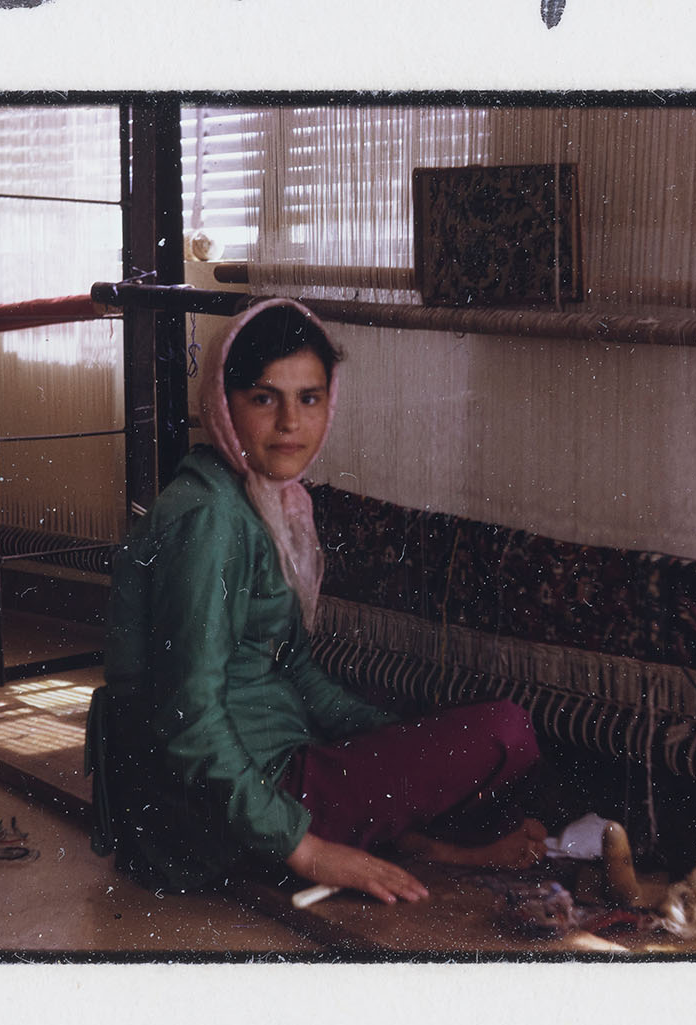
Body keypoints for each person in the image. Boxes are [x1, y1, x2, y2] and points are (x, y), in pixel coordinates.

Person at [85, 299, 546, 904]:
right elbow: (188, 715)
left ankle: (416, 838)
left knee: (449, 737)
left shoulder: (261, 500)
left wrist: (402, 742)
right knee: (504, 731)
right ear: (224, 404)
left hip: (252, 774)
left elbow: (293, 668)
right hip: (208, 813)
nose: (289, 424)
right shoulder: (210, 518)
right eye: (263, 398)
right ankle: (368, 841)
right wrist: (308, 850)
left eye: (309, 398)